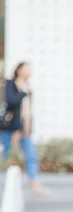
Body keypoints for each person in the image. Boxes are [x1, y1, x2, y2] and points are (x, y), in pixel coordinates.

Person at [0, 62, 46, 194]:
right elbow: (11, 101)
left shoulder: (27, 86)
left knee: (31, 155)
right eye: (26, 69)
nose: (29, 72)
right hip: (10, 127)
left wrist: (28, 126)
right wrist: (22, 93)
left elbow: (28, 110)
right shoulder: (11, 84)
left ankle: (34, 183)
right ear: (19, 70)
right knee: (4, 152)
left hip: (24, 128)